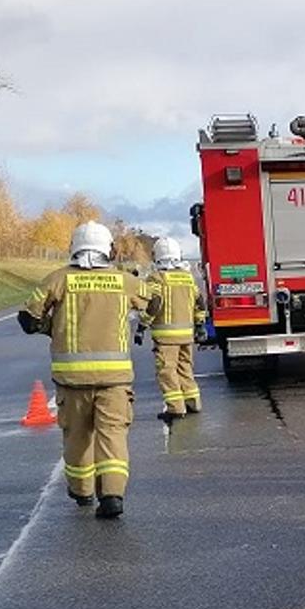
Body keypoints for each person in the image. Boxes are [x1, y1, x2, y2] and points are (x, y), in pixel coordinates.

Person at [19, 221, 161, 518]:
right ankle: (112, 495)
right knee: (112, 435)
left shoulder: (58, 279)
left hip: (72, 380)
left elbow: (28, 319)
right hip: (115, 379)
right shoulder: (123, 281)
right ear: (107, 249)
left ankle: (82, 491)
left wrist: (51, 326)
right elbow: (154, 304)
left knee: (77, 435)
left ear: (74, 247)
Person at [147, 237, 206, 419]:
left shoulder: (156, 278)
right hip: (187, 335)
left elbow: (154, 304)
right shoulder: (187, 278)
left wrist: (143, 324)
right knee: (185, 368)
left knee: (167, 370)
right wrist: (200, 325)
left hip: (166, 338)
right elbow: (200, 303)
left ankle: (175, 408)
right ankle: (193, 402)